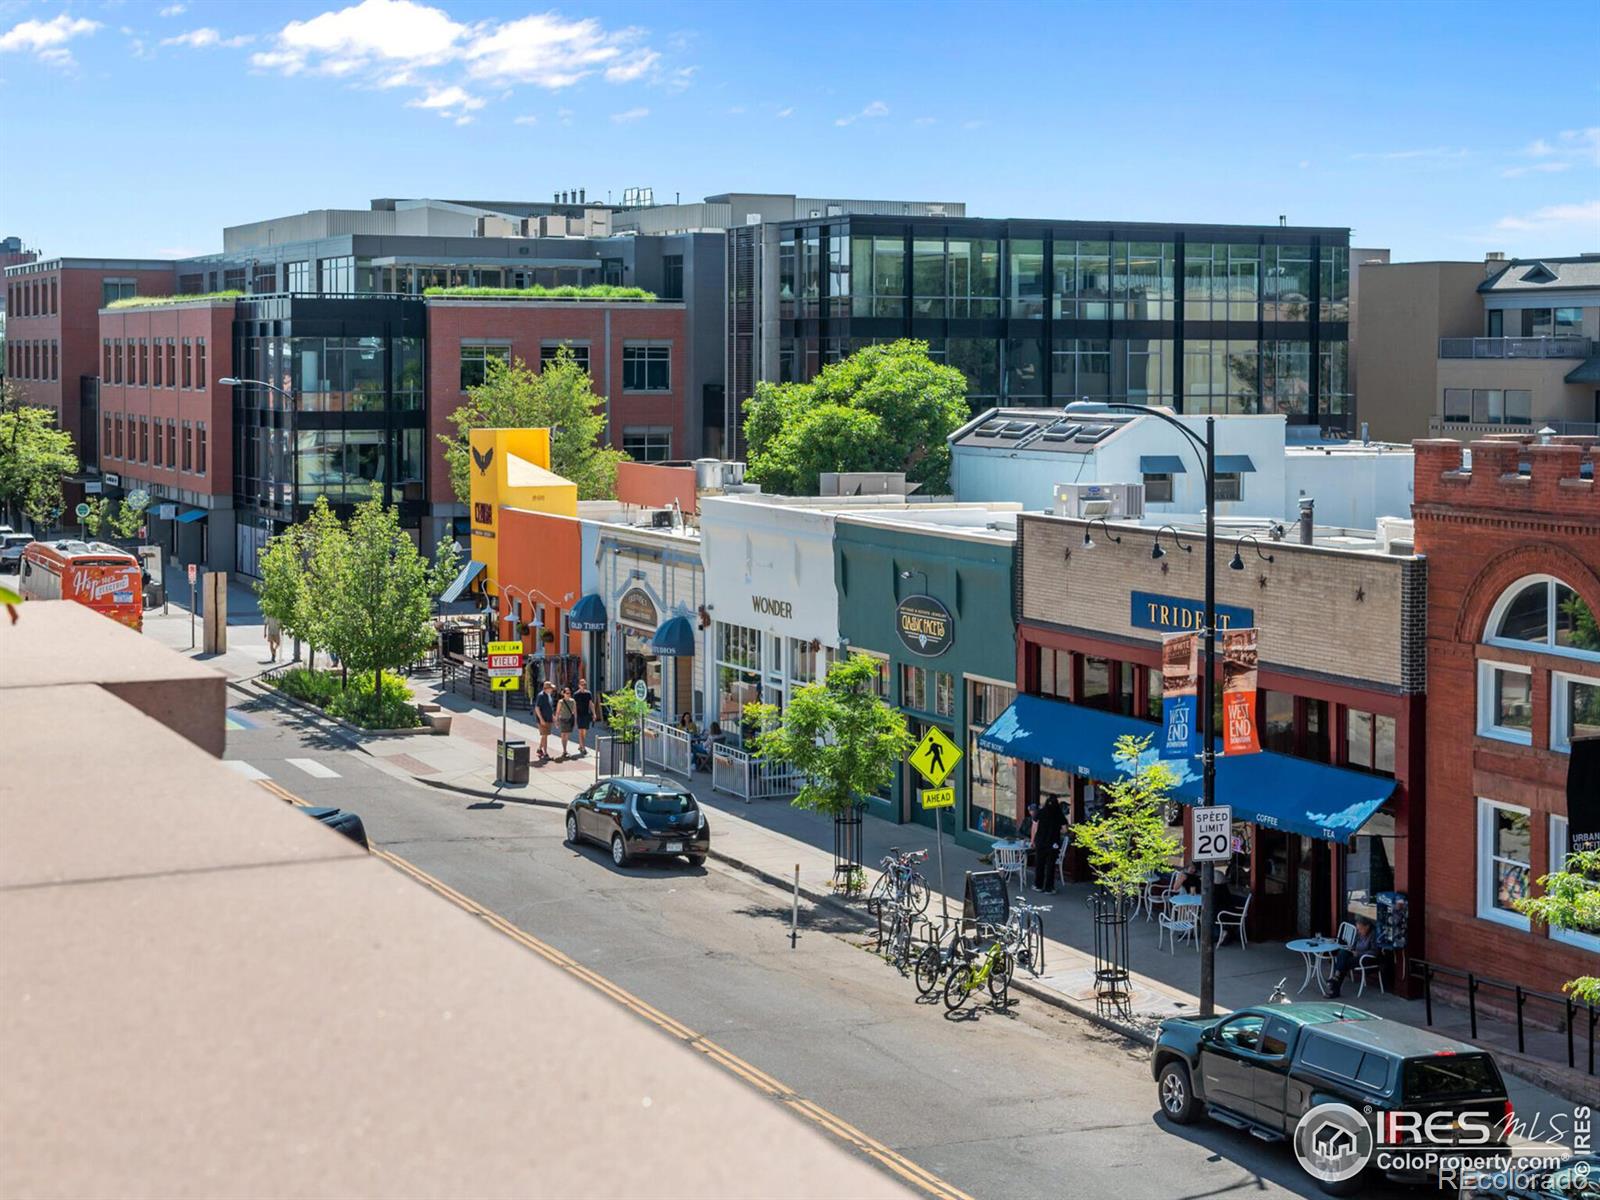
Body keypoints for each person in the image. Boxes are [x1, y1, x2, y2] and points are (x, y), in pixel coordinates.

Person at [1327, 916, 1379, 998]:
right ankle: (1336, 979)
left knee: (1343, 963)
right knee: (1342, 953)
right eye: (1357, 929)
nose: (1358, 931)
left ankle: (1335, 985)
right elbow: (1354, 945)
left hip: (1367, 958)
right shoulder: (1359, 934)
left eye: (1360, 929)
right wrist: (1351, 949)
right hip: (1355, 955)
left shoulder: (1373, 935)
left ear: (1367, 926)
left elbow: (1374, 952)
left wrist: (1358, 953)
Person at [1033, 796, 1066, 892]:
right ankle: (1049, 888)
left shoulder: (1040, 812)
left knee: (1040, 864)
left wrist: (1032, 840)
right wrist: (1057, 830)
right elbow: (1065, 829)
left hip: (1041, 842)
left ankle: (1038, 885)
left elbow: (1034, 827)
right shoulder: (1059, 814)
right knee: (1050, 866)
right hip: (1053, 843)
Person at [533, 681, 556, 760]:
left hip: (548, 719)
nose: (552, 689)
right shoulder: (541, 696)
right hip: (543, 720)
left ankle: (540, 749)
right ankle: (545, 753)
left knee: (544, 735)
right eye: (551, 688)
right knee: (545, 736)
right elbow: (537, 708)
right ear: (546, 688)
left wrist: (553, 716)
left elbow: (550, 707)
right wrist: (541, 719)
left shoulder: (549, 695)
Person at [572, 678, 593, 756]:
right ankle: (583, 748)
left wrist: (594, 713)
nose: (583, 686)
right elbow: (574, 706)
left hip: (586, 714)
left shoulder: (588, 694)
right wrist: (575, 716)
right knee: (580, 731)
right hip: (579, 715)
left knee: (584, 732)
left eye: (584, 684)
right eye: (582, 684)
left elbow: (591, 704)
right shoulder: (576, 694)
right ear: (579, 685)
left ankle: (580, 745)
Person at [555, 686, 577, 759]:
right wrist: (556, 721)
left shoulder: (573, 701)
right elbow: (557, 712)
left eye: (570, 693)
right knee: (563, 734)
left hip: (570, 719)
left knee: (567, 735)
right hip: (563, 719)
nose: (569, 694)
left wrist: (575, 722)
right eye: (567, 693)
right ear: (563, 694)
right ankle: (564, 750)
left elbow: (575, 712)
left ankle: (565, 749)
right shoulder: (560, 701)